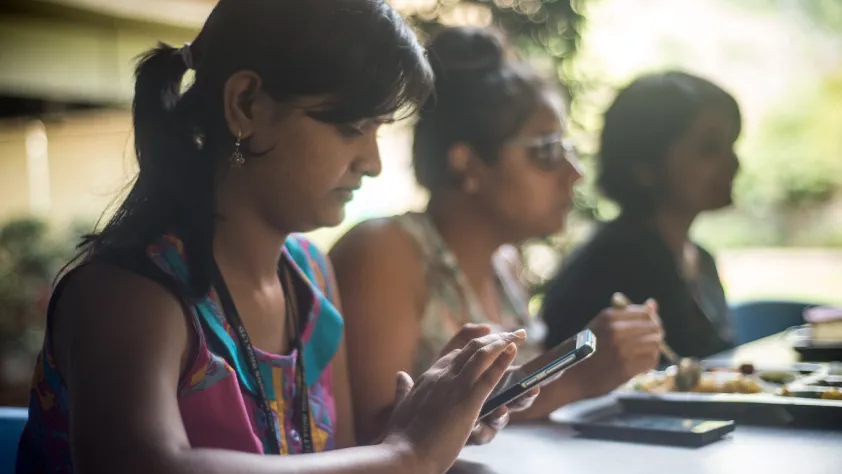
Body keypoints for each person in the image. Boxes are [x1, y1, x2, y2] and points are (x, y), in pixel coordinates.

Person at [15, 2, 524, 473]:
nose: (372, 163)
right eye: (351, 128)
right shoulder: (127, 294)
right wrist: (405, 455)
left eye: (379, 130)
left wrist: (429, 416)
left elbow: (342, 456)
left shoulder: (311, 275)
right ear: (246, 105)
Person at [330, 27, 663, 444]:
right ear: (466, 163)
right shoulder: (386, 252)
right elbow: (375, 433)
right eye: (546, 150)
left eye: (567, 148)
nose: (574, 172)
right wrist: (574, 377)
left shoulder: (503, 263)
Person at [541, 71, 742, 359]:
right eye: (709, 149)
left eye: (731, 145)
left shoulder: (699, 259)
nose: (733, 164)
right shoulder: (609, 267)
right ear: (643, 165)